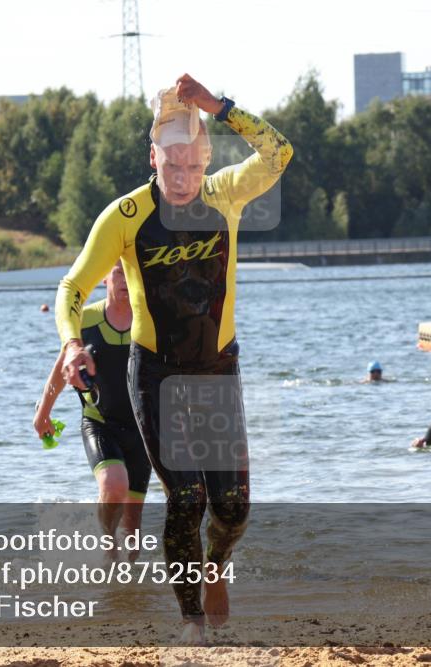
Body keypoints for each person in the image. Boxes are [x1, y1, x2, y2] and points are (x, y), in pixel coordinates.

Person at [53, 74, 292, 643]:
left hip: (216, 370)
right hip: (156, 375)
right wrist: (70, 342)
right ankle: (191, 623)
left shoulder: (225, 193)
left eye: (193, 166)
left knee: (231, 510)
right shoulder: (126, 217)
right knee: (186, 497)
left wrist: (218, 106)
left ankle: (214, 568)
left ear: (206, 161)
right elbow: (70, 288)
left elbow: (278, 151)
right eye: (171, 166)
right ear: (152, 157)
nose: (183, 181)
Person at [34, 263, 150, 560]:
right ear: (104, 277)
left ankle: (127, 596)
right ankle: (107, 545)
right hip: (100, 422)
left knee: (133, 536)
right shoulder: (85, 321)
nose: (124, 280)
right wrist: (44, 412)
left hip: (143, 429)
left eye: (130, 273)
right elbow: (62, 370)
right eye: (118, 272)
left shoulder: (149, 320)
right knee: (114, 484)